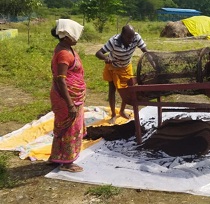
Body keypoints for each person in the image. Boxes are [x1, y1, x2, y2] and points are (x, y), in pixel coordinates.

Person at [49, 19, 86, 172]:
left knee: (67, 127)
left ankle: (57, 156)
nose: (76, 39)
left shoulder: (67, 48)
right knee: (69, 128)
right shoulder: (64, 53)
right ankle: (67, 162)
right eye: (74, 36)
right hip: (67, 97)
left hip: (73, 95)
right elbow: (61, 81)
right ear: (66, 37)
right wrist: (70, 104)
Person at [95, 24, 149, 124]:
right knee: (112, 89)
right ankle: (113, 115)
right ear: (122, 35)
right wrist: (106, 58)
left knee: (128, 90)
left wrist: (152, 58)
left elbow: (145, 50)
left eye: (132, 37)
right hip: (113, 67)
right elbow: (98, 53)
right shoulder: (114, 41)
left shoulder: (136, 37)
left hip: (126, 66)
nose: (131, 40)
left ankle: (122, 110)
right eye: (128, 37)